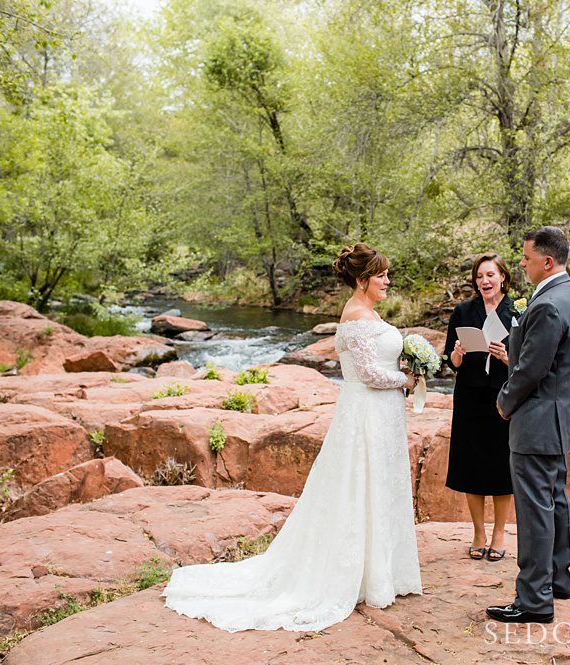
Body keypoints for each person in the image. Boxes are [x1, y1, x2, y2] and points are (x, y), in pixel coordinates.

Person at [162, 242, 422, 631]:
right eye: (382, 275)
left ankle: (379, 573)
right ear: (364, 279)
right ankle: (360, 576)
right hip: (366, 412)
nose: (388, 281)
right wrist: (406, 378)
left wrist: (406, 366)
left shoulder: (368, 311)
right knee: (359, 484)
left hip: (380, 413)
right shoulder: (356, 315)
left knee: (377, 485)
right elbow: (368, 374)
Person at [487, 226, 570, 625]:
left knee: (535, 510)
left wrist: (505, 400)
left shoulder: (547, 304)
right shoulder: (569, 294)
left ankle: (533, 599)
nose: (522, 264)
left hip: (538, 421)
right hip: (559, 420)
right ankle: (557, 580)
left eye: (526, 259)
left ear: (547, 261)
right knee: (555, 500)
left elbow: (532, 369)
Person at [442, 253, 517, 562]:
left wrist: (506, 358)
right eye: (480, 276)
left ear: (503, 278)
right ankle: (477, 533)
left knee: (501, 466)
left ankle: (500, 533)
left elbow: (528, 363)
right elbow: (450, 359)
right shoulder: (463, 311)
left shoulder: (517, 312)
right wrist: (457, 354)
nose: (485, 281)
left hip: (503, 398)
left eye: (490, 275)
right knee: (471, 465)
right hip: (470, 397)